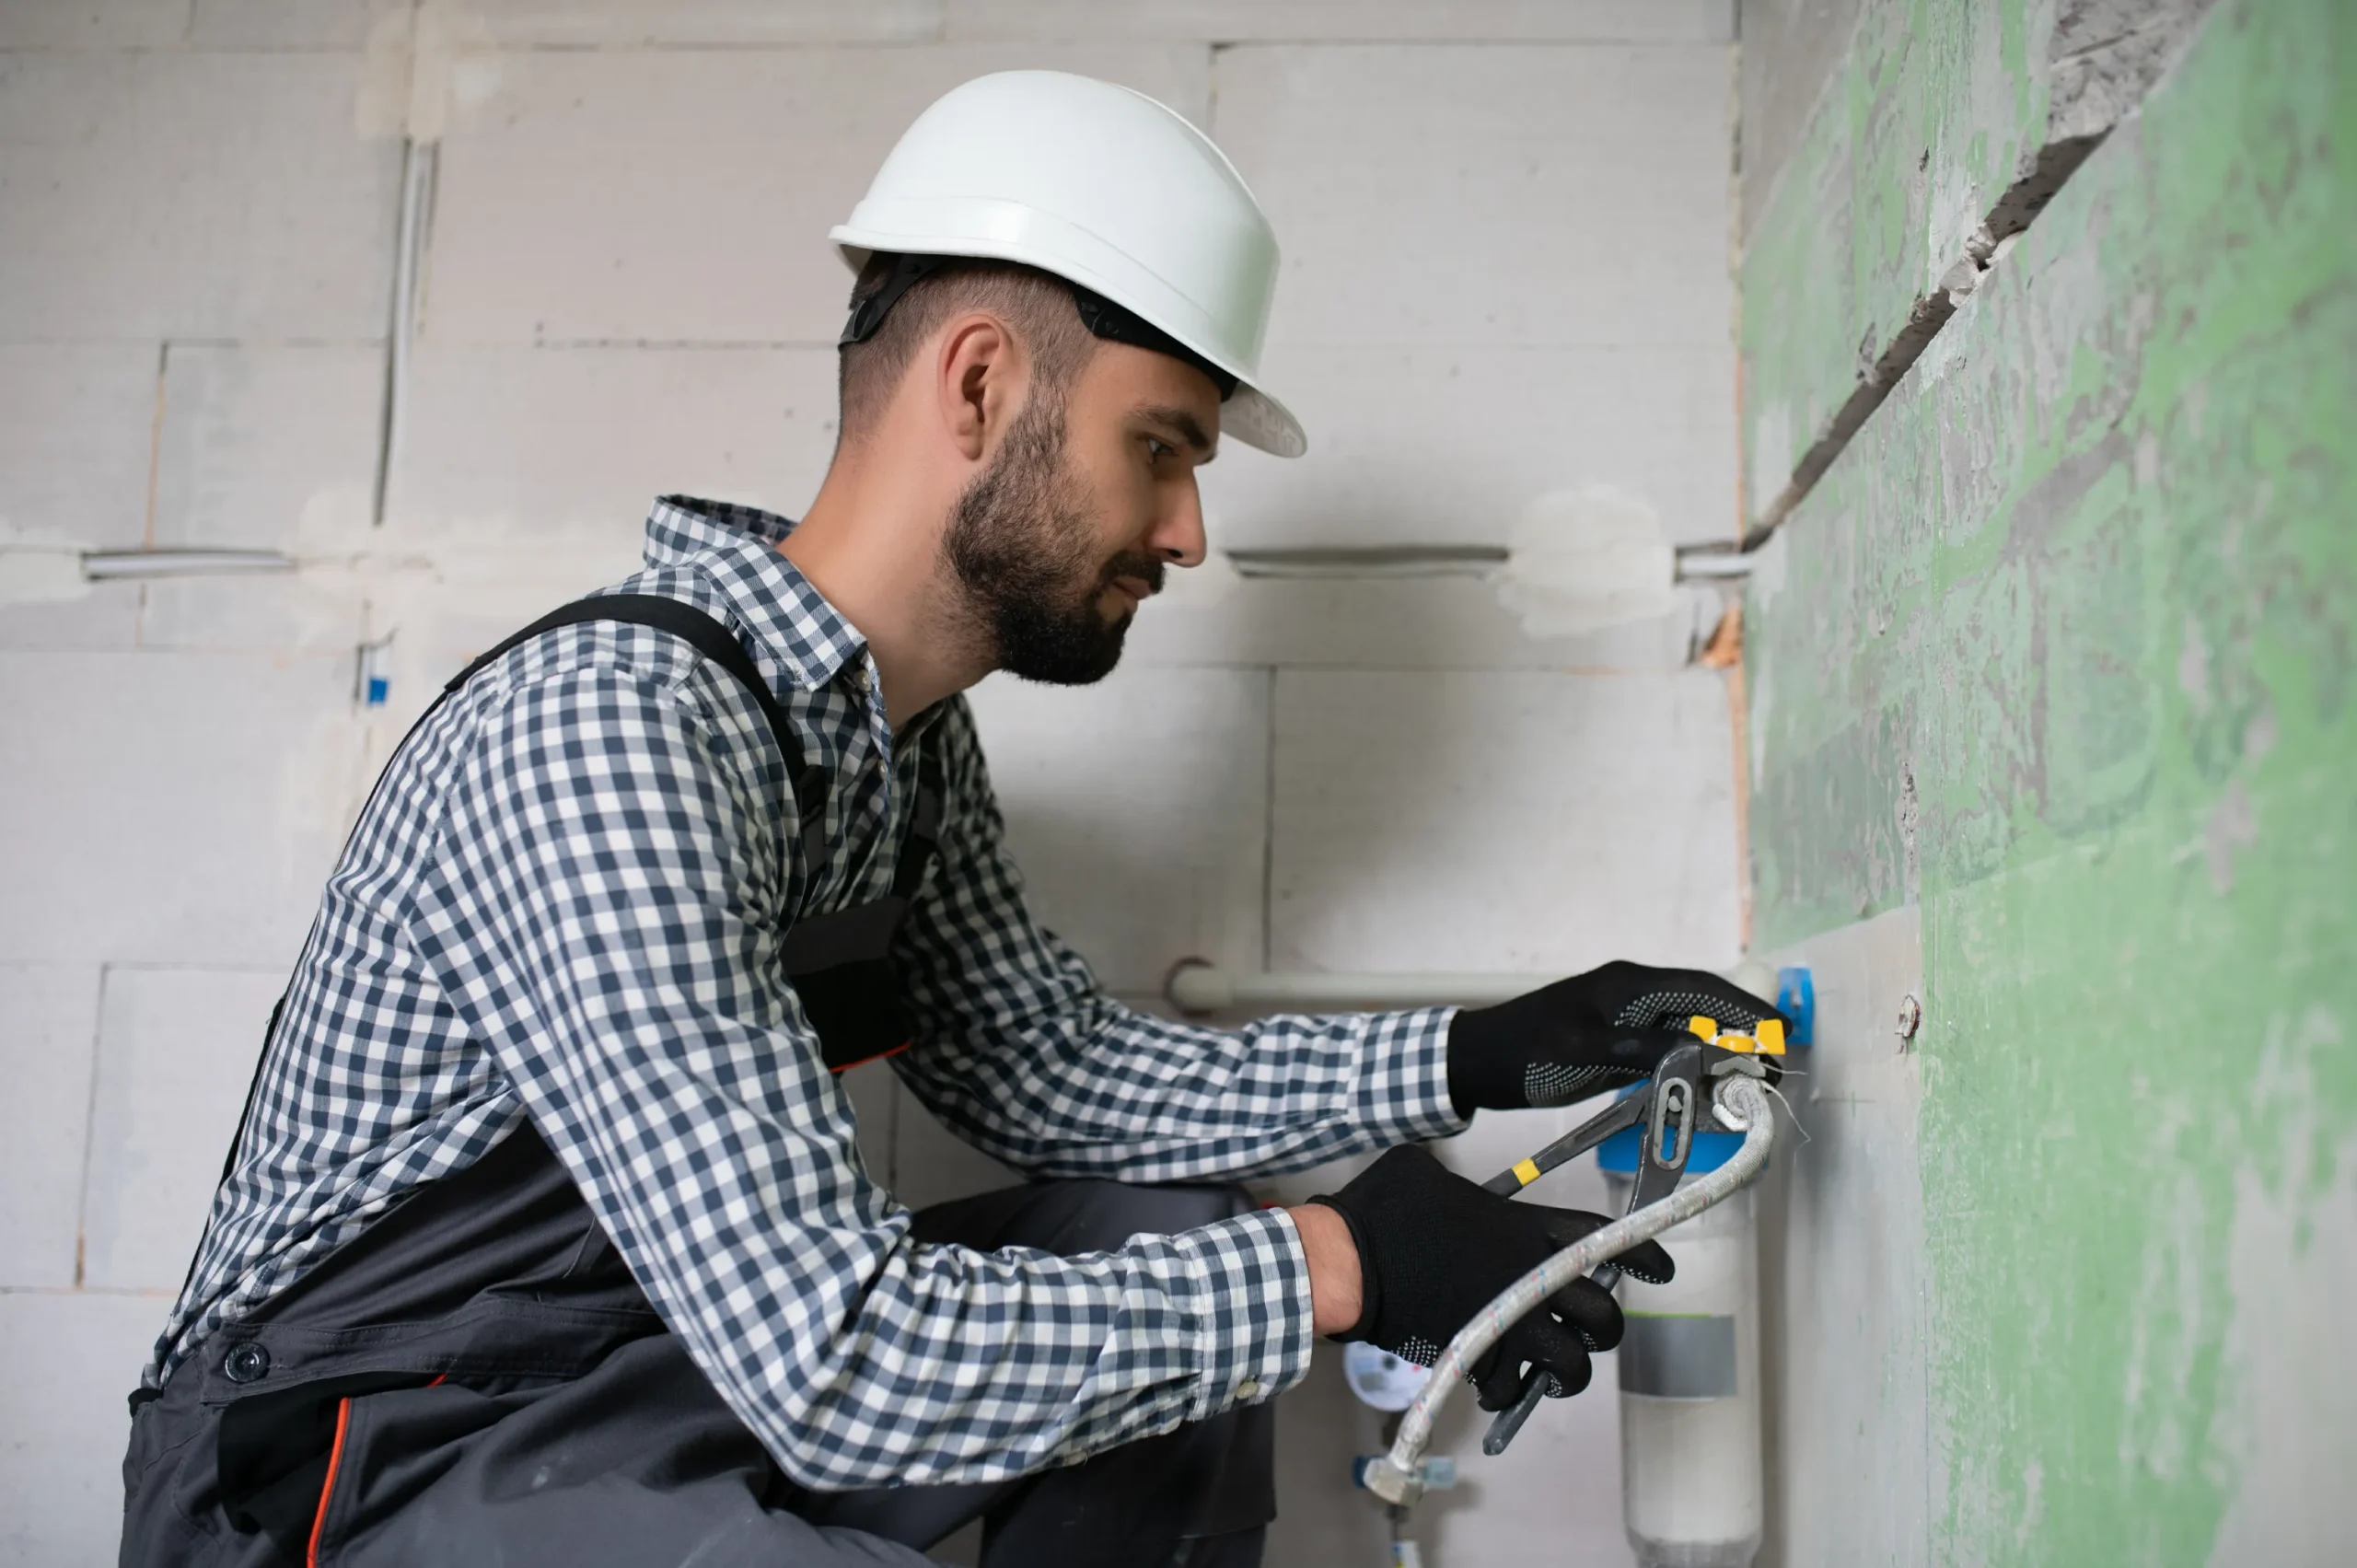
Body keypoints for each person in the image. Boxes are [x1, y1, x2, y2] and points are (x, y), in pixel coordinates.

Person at [119, 71, 1785, 1568]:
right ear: (981, 384)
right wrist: (1338, 1263)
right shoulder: (616, 732)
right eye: (1162, 448)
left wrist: (1483, 1052)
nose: (1189, 532)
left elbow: (1049, 1074)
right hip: (354, 1459)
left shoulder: (901, 751)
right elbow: (837, 1365)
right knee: (1232, 1275)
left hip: (639, 1378)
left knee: (1166, 1228)